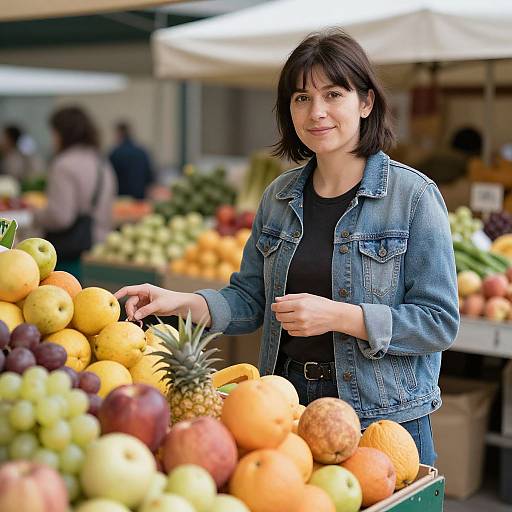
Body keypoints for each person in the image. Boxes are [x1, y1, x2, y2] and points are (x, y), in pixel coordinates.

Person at [115, 29, 459, 466]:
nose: (316, 112)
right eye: (301, 98)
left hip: (381, 418)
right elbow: (248, 300)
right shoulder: (279, 197)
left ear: (366, 102)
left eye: (333, 94)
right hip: (285, 407)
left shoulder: (412, 197)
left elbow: (439, 323)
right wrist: (180, 301)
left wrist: (340, 316)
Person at [32, 106, 116, 277]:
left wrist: (35, 214)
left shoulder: (63, 165)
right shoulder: (101, 162)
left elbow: (61, 217)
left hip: (69, 253)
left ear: (62, 133)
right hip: (100, 247)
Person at [109, 121, 154, 200]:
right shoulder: (142, 152)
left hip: (121, 197)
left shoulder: (115, 153)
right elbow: (149, 176)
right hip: (140, 197)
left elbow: (110, 177)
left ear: (119, 133)